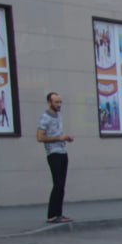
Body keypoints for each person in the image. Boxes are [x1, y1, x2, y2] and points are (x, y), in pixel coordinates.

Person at [36, 91, 73, 223]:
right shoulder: (45, 117)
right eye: (56, 102)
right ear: (49, 102)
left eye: (60, 102)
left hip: (63, 152)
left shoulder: (59, 116)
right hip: (53, 153)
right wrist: (59, 138)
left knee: (62, 185)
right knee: (57, 184)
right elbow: (40, 137)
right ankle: (52, 215)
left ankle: (59, 214)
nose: (59, 104)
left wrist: (65, 138)